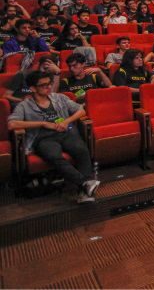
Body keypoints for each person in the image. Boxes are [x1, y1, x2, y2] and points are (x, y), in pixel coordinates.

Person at [8, 70, 99, 204]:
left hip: (64, 132)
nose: (48, 87)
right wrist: (43, 123)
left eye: (49, 84)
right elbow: (12, 124)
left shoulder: (59, 98)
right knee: (53, 155)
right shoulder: (25, 105)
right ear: (32, 88)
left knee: (81, 150)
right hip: (43, 138)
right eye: (43, 85)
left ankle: (84, 191)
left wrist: (66, 121)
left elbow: (81, 110)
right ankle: (85, 183)